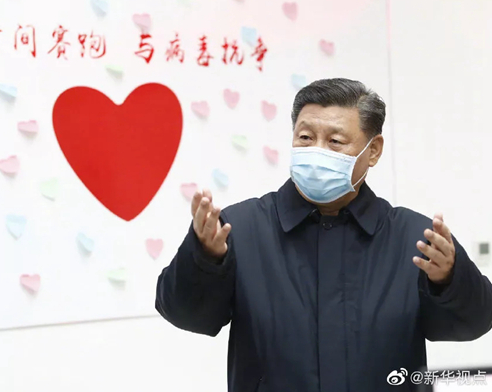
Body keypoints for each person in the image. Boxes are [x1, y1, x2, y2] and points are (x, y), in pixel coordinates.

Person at [155, 78, 492, 392]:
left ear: (373, 150)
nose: (316, 151)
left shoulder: (414, 238)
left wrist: (448, 280)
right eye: (305, 137)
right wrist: (205, 259)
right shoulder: (241, 229)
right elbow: (184, 314)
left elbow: (475, 322)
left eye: (335, 141)